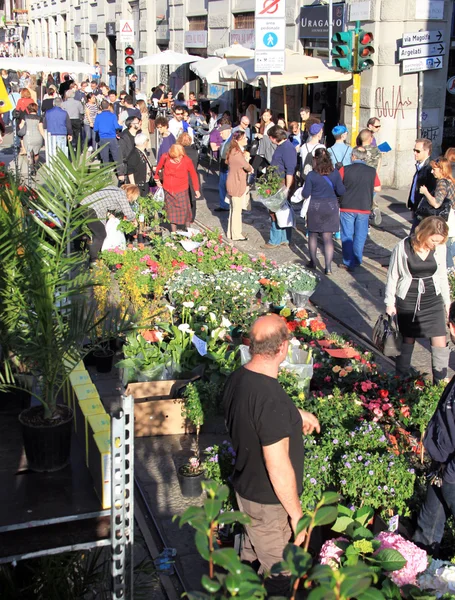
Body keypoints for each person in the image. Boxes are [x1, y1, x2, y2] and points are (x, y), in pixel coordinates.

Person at [223, 314, 320, 595]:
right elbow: (277, 467)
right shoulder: (271, 400)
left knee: (251, 558)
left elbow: (251, 415)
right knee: (280, 574)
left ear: (251, 346)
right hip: (270, 505)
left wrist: (295, 415)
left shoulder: (239, 379)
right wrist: (296, 515)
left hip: (246, 491)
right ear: (282, 349)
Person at [385, 216, 450, 382]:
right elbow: (393, 276)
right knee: (407, 338)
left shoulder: (440, 248)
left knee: (440, 340)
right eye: (433, 240)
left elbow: (442, 276)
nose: (436, 244)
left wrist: (447, 303)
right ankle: (401, 378)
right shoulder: (403, 247)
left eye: (439, 241)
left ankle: (440, 382)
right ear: (424, 233)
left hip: (432, 299)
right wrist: (390, 303)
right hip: (409, 299)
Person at [413, 301, 455, 556]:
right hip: (443, 464)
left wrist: (450, 474)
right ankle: (423, 578)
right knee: (426, 530)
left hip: (451, 471)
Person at [302, 148, 346, 275]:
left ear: (315, 159)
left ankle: (313, 262)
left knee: (313, 235)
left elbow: (306, 194)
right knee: (328, 238)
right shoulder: (335, 173)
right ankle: (328, 267)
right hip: (331, 206)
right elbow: (341, 191)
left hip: (315, 206)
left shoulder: (311, 175)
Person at [338, 147, 382, 272]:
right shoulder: (371, 171)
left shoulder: (344, 169)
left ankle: (348, 261)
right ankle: (357, 259)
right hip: (364, 207)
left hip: (347, 206)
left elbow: (338, 186)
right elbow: (378, 188)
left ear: (353, 156)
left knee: (347, 234)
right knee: (361, 235)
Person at [80, 184, 139, 261]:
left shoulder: (116, 190)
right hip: (90, 208)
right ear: (130, 195)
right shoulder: (121, 195)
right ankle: (94, 260)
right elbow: (128, 212)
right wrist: (134, 220)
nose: (130, 201)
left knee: (98, 233)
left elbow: (105, 202)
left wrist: (109, 214)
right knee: (100, 234)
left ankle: (93, 254)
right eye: (131, 199)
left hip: (86, 205)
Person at [262, 125, 297, 249]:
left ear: (274, 137)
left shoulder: (287, 148)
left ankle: (275, 239)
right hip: (278, 182)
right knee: (281, 211)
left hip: (281, 183)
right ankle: (284, 238)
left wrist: (287, 188)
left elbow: (290, 170)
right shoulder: (282, 146)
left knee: (275, 210)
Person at [153, 143, 201, 232]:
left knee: (185, 210)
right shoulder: (165, 157)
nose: (177, 159)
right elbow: (158, 167)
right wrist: (156, 179)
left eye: (179, 157)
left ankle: (188, 230)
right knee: (171, 212)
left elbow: (194, 175)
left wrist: (196, 189)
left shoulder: (187, 160)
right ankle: (173, 232)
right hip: (168, 190)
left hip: (182, 189)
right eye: (175, 158)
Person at [419, 157, 455, 267]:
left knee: (445, 253)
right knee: (448, 249)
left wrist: (425, 192)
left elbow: (436, 204)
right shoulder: (450, 181)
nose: (432, 171)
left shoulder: (442, 183)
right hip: (451, 220)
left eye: (434, 169)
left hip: (445, 221)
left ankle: (449, 278)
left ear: (442, 169)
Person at [226, 130, 253, 242]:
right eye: (244, 138)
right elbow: (246, 166)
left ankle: (231, 232)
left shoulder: (234, 150)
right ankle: (236, 234)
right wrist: (250, 166)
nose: (246, 139)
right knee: (237, 210)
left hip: (233, 181)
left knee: (233, 209)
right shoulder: (236, 152)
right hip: (236, 183)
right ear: (239, 139)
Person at [408, 138, 436, 232]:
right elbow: (415, 186)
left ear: (427, 151)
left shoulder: (430, 168)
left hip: (423, 211)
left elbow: (432, 191)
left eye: (417, 151)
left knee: (415, 238)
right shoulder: (420, 165)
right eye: (414, 150)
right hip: (417, 208)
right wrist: (412, 206)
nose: (415, 153)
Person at [177, 132, 200, 223]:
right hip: (193, 175)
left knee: (184, 196)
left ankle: (184, 216)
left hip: (183, 176)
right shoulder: (194, 151)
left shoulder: (180, 152)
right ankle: (192, 217)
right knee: (193, 197)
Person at [93, 99, 121, 164]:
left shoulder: (98, 116)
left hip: (102, 138)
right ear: (109, 106)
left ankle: (106, 173)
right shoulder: (113, 116)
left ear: (101, 107)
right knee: (116, 156)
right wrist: (121, 127)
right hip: (112, 138)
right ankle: (120, 172)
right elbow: (117, 127)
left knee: (105, 158)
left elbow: (95, 129)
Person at [252, 109, 275, 179]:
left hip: (268, 150)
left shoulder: (272, 126)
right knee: (254, 166)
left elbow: (272, 138)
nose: (265, 117)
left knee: (268, 169)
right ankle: (252, 183)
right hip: (261, 149)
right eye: (264, 115)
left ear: (270, 116)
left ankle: (268, 185)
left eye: (267, 115)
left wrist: (262, 136)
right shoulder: (262, 124)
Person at [215, 123, 233, 212]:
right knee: (221, 186)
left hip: (228, 169)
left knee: (228, 188)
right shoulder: (224, 141)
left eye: (222, 133)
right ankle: (223, 205)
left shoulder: (231, 141)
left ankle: (229, 205)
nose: (220, 135)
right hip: (222, 168)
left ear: (227, 131)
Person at [118, 115, 141, 181]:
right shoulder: (124, 138)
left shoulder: (139, 135)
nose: (140, 124)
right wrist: (120, 173)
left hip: (138, 169)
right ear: (131, 125)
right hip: (127, 169)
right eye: (137, 122)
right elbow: (120, 156)